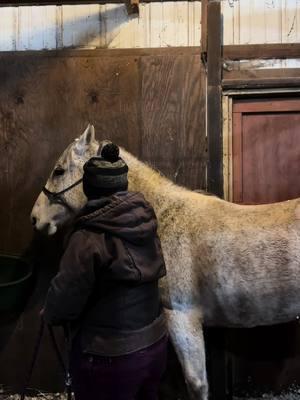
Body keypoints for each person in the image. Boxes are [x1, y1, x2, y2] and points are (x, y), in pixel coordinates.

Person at [43, 142, 168, 400]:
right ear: (122, 185)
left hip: (111, 356)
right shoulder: (146, 221)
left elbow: (64, 298)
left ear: (89, 188)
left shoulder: (88, 237)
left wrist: (51, 312)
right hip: (155, 344)